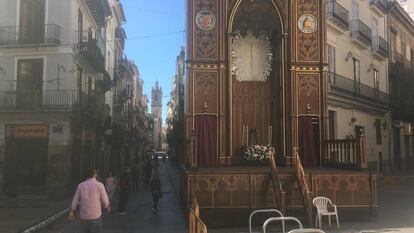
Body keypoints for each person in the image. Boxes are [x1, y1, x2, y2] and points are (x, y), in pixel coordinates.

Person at [69, 168, 110, 233]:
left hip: (84, 216)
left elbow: (75, 199)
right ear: (95, 174)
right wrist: (107, 206)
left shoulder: (81, 185)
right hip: (95, 216)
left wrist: (72, 210)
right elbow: (105, 200)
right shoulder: (100, 185)